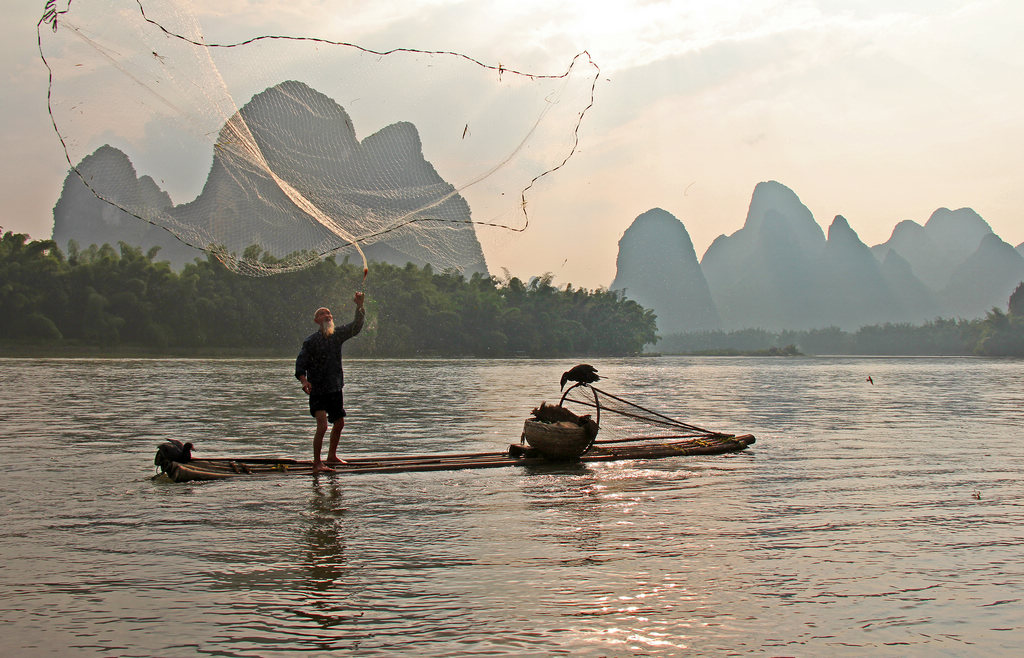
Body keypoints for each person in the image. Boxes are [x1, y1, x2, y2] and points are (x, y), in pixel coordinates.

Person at [295, 292, 365, 472]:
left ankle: (331, 456)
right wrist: (304, 381)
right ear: (317, 320)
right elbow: (300, 363)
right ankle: (317, 463)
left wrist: (359, 306)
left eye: (329, 313)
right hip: (318, 389)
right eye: (323, 314)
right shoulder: (311, 341)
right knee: (323, 426)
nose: (327, 315)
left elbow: (356, 327)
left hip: (335, 387)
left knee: (339, 423)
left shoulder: (337, 335)